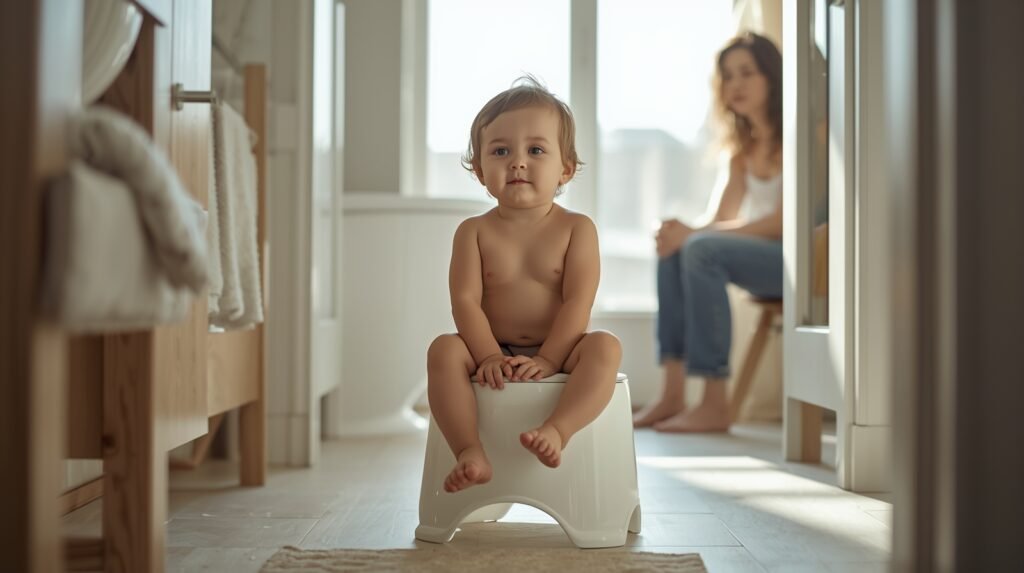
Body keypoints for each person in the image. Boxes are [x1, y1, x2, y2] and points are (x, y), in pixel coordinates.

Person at [426, 77, 622, 493]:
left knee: (606, 347)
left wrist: (551, 358)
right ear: (480, 171)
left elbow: (577, 301)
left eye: (535, 150)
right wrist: (487, 355)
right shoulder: (473, 232)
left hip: (562, 350)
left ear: (565, 168)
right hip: (490, 348)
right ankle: (469, 451)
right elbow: (465, 301)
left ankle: (557, 430)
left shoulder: (577, 229)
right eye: (501, 151)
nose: (517, 162)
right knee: (443, 350)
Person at [632, 32, 784, 433]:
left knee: (698, 247)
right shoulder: (742, 153)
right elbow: (719, 220)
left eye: (747, 73)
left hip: (800, 258)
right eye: (728, 76)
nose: (735, 84)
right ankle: (672, 394)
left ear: (772, 78)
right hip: (761, 256)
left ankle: (715, 403)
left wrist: (695, 236)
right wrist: (679, 232)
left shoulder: (803, 136)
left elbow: (784, 223)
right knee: (675, 248)